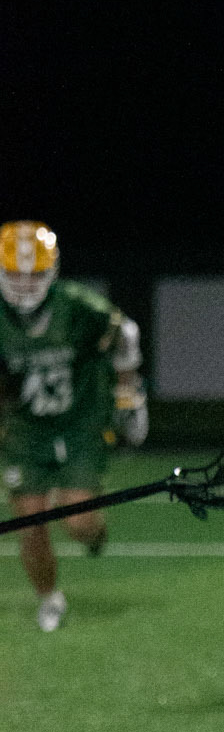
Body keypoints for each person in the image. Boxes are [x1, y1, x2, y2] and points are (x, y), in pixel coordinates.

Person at [0, 221, 147, 632]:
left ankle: (94, 538)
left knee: (80, 522)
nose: (25, 285)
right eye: (15, 274)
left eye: (34, 275)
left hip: (80, 422)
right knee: (30, 524)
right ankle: (49, 598)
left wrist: (129, 396)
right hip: (25, 429)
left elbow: (126, 335)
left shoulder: (78, 306)